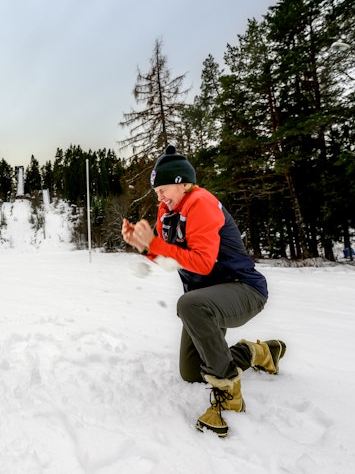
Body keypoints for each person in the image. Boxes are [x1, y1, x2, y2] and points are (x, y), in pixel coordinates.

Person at [122, 146, 286, 437]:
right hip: (209, 298)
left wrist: (154, 246)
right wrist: (143, 247)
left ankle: (229, 396)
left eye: (163, 190)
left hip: (243, 290)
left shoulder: (201, 203)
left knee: (188, 305)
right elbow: (169, 255)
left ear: (183, 183)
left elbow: (202, 262)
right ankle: (258, 353)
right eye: (156, 191)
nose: (159, 197)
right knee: (192, 372)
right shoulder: (166, 212)